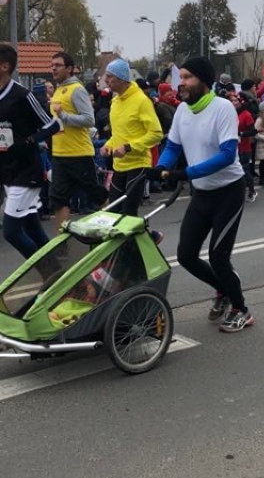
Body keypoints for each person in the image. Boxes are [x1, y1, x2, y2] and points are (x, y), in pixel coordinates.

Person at [155, 56, 253, 333]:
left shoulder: (222, 109)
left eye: (187, 77)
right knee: (186, 255)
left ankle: (241, 309)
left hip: (228, 192)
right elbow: (173, 146)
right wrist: (161, 167)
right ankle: (222, 290)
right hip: (202, 193)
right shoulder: (183, 111)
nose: (181, 83)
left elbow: (227, 155)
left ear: (203, 81)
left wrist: (185, 173)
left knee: (218, 256)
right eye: (180, 77)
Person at [0, 42, 60, 258]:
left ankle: (49, 271)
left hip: (27, 170)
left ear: (5, 66)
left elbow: (52, 125)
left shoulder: (22, 95)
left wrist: (28, 141)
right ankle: (59, 269)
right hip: (6, 170)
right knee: (31, 227)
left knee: (11, 231)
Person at [99, 58, 163, 215]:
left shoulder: (141, 101)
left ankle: (149, 237)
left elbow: (156, 134)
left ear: (121, 79)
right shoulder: (115, 102)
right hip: (119, 166)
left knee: (129, 213)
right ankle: (145, 237)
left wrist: (128, 147)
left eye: (110, 76)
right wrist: (108, 145)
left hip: (138, 164)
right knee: (113, 212)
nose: (106, 80)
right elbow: (118, 135)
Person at [49, 50, 104, 230]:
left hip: (78, 153)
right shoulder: (57, 91)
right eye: (52, 65)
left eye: (58, 65)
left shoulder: (77, 89)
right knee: (58, 200)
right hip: (59, 153)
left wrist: (64, 115)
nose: (54, 69)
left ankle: (116, 228)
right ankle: (61, 242)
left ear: (70, 69)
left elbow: (89, 120)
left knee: (97, 195)